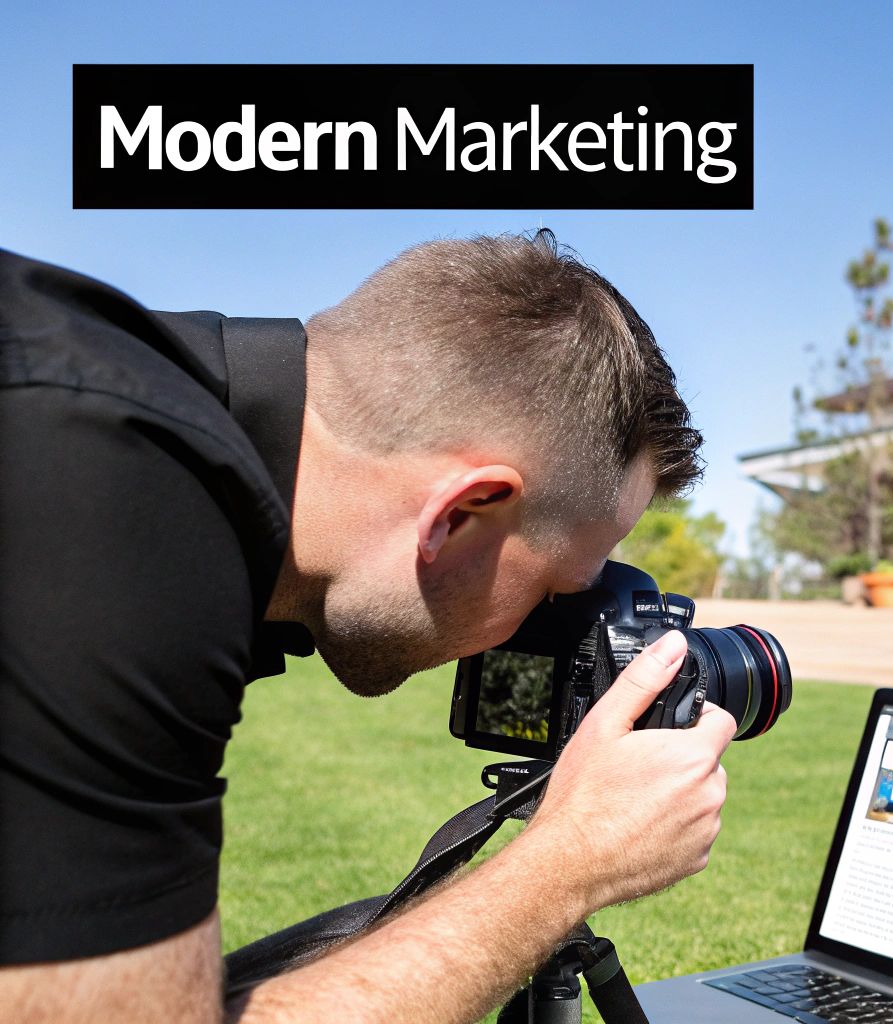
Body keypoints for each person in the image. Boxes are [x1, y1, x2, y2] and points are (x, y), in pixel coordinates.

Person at [0, 231, 735, 1021]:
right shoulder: (121, 505)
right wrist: (570, 867)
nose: (555, 624)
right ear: (459, 515)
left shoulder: (116, 409)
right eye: (563, 586)